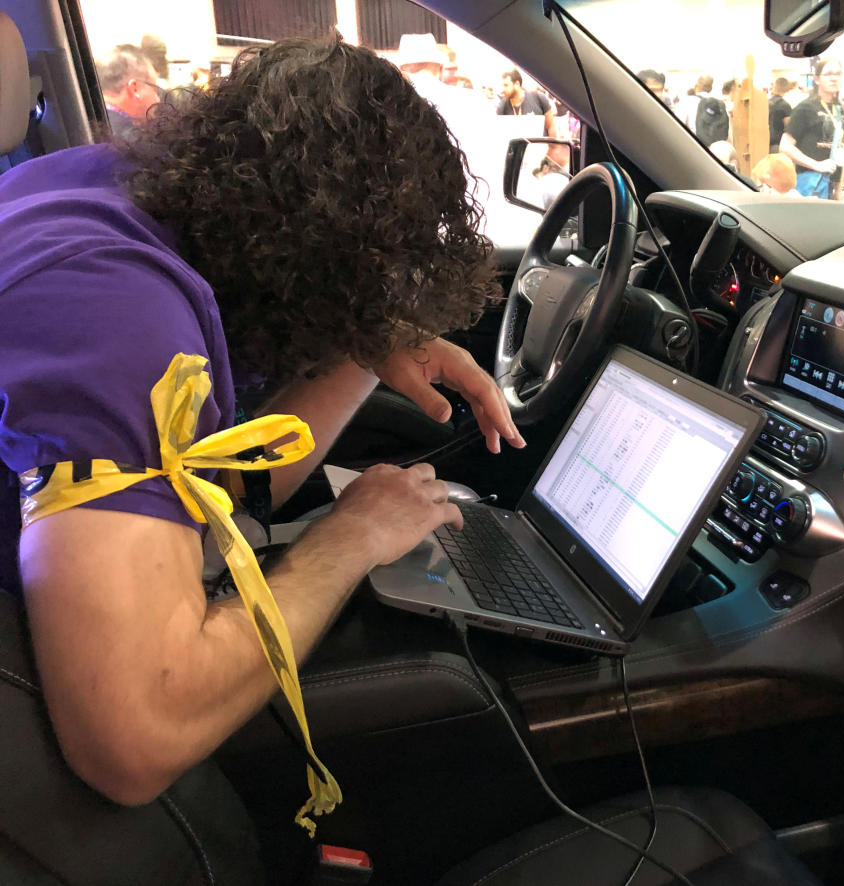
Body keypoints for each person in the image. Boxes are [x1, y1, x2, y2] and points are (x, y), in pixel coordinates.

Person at [0, 35, 523, 810]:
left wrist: (363, 339)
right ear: (308, 263)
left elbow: (214, 496)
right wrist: (350, 538)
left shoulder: (103, 192)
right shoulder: (118, 321)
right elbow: (135, 738)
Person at [780, 57, 844, 200]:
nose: (834, 78)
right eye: (828, 74)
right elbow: (785, 146)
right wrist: (817, 165)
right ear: (817, 79)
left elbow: (839, 151)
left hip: (830, 184)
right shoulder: (806, 108)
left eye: (838, 74)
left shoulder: (839, 110)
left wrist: (838, 189)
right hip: (809, 184)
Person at [96, 44, 162, 140]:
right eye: (155, 89)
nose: (158, 99)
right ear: (135, 88)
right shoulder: (129, 142)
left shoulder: (90, 120)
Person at [497, 68, 556, 136]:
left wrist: (554, 146)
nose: (503, 89)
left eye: (506, 85)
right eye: (502, 85)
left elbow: (550, 127)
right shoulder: (502, 106)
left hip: (539, 145)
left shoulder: (538, 98)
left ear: (517, 84)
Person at [768, 77, 794, 153]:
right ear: (786, 88)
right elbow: (789, 128)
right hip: (778, 145)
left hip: (765, 142)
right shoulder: (785, 105)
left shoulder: (766, 103)